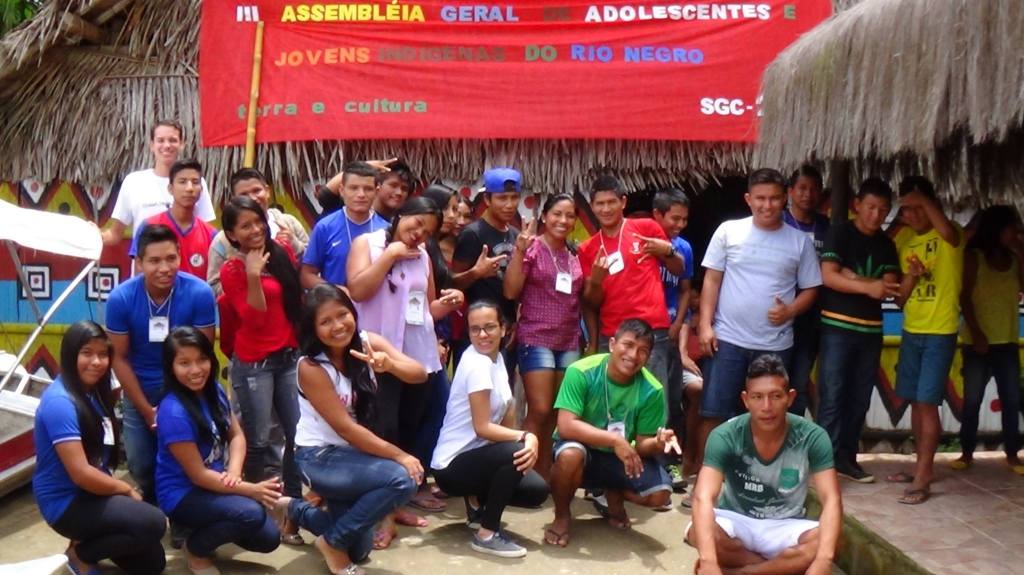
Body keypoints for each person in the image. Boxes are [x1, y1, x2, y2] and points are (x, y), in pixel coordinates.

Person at [270, 284, 425, 575]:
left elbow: (418, 373)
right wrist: (400, 456)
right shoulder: (311, 367)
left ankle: (294, 508)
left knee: (360, 549)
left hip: (352, 459)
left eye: (342, 315)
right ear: (313, 329)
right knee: (402, 479)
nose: (338, 326)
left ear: (353, 313)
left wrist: (390, 364)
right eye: (325, 322)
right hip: (317, 458)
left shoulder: (368, 342)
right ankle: (332, 543)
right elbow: (346, 430)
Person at [347, 197, 464, 541]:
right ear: (401, 216)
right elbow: (357, 290)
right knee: (384, 429)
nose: (420, 234)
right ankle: (383, 509)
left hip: (418, 355)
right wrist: (390, 255)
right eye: (416, 225)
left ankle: (402, 496)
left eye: (427, 231)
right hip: (379, 353)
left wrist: (447, 303)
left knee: (415, 424)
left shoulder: (425, 256)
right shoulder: (366, 244)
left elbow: (425, 309)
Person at [698, 169, 821, 449]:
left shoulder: (799, 241)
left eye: (774, 198)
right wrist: (705, 325)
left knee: (768, 415)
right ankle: (707, 480)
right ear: (748, 199)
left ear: (785, 198)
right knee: (714, 412)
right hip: (727, 339)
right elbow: (712, 279)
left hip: (775, 345)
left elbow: (812, 289)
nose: (767, 205)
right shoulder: (729, 231)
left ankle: (758, 477)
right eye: (760, 198)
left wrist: (790, 311)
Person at [687, 354, 841, 575]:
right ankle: (779, 568)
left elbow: (832, 498)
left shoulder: (813, 437)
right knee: (698, 532)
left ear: (790, 397)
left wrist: (824, 561)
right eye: (757, 397)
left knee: (830, 542)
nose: (766, 406)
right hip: (736, 519)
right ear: (745, 399)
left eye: (775, 396)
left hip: (786, 523)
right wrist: (709, 562)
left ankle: (743, 572)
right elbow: (703, 497)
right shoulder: (725, 435)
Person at [33, 321, 167, 575]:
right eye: (87, 353)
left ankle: (84, 540)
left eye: (103, 354)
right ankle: (80, 555)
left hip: (93, 492)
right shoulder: (60, 402)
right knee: (154, 523)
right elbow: (81, 473)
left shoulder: (95, 392)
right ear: (70, 353)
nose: (96, 362)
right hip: (66, 502)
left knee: (152, 564)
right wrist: (125, 489)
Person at [106, 224, 217, 503]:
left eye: (171, 258)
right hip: (139, 389)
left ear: (180, 256)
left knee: (190, 458)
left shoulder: (199, 292)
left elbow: (203, 356)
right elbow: (118, 357)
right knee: (141, 463)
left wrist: (182, 403)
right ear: (139, 262)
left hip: (186, 389)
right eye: (154, 261)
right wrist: (146, 410)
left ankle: (183, 514)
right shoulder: (120, 298)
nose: (164, 267)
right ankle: (155, 508)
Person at [156, 327, 281, 574]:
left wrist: (234, 472)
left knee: (269, 539)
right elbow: (198, 476)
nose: (195, 370)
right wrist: (250, 490)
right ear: (171, 367)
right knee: (252, 514)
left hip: (217, 482)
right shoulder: (173, 412)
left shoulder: (214, 391)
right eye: (184, 363)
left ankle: (207, 529)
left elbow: (236, 435)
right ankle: (195, 549)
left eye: (202, 359)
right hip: (183, 494)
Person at [431, 301, 550, 557]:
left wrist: (517, 446)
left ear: (504, 328)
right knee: (516, 453)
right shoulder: (477, 364)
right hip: (451, 466)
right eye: (475, 330)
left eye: (489, 327)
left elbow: (507, 411)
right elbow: (482, 427)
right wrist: (525, 437)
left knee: (536, 490)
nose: (482, 335)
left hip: (475, 458)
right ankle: (486, 533)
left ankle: (478, 508)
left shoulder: (496, 359)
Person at [547, 319, 678, 547]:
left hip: (620, 457)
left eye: (642, 351)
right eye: (627, 345)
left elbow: (643, 443)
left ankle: (613, 490)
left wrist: (657, 442)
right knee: (570, 457)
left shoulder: (652, 389)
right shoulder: (580, 371)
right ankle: (562, 515)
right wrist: (614, 439)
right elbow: (567, 425)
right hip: (582, 449)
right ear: (612, 344)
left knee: (661, 494)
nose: (633, 355)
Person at [219, 196, 305, 540]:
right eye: (245, 226)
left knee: (297, 438)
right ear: (231, 234)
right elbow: (253, 319)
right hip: (254, 365)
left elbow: (294, 303)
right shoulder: (232, 270)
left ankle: (293, 514)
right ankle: (255, 514)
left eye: (257, 222)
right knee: (257, 441)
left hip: (288, 359)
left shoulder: (281, 253)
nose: (255, 230)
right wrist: (253, 276)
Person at [817, 178, 901, 483]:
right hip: (836, 327)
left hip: (870, 332)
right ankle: (823, 465)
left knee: (859, 398)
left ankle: (847, 459)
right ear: (857, 205)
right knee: (832, 395)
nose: (876, 215)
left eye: (883, 209)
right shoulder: (839, 233)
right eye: (870, 207)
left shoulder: (887, 243)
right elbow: (828, 277)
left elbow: (888, 288)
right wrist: (869, 285)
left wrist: (853, 279)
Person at [887, 176, 964, 505]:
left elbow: (946, 232)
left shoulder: (950, 233)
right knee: (914, 402)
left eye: (917, 208)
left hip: (939, 331)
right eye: (906, 210)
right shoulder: (906, 243)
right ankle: (922, 465)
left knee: (926, 403)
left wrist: (924, 198)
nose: (912, 215)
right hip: (912, 330)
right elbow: (900, 301)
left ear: (930, 206)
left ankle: (923, 475)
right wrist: (912, 276)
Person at [503, 193, 582, 479]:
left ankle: (543, 469)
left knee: (556, 411)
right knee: (539, 408)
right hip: (536, 336)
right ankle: (522, 471)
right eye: (557, 214)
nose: (563, 220)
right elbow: (511, 291)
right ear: (545, 217)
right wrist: (519, 252)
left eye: (569, 215)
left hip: (568, 340)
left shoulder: (573, 253)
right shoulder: (532, 247)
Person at [580, 176, 683, 396]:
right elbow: (591, 303)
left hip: (652, 328)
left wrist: (668, 251)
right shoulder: (588, 248)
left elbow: (678, 269)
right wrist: (596, 280)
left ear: (623, 202)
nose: (606, 209)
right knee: (614, 401)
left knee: (654, 398)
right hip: (613, 333)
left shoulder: (645, 227)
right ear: (592, 206)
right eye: (600, 203)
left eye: (611, 202)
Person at [955, 205, 1023, 474]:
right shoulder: (973, 258)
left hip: (1006, 340)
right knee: (972, 399)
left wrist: (1020, 247)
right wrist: (977, 331)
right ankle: (966, 452)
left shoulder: (1015, 260)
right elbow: (965, 298)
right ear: (996, 229)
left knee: (1011, 399)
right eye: (1010, 228)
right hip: (977, 342)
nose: (1014, 233)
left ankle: (1012, 455)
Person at [451, 168, 523, 370]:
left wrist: (515, 321)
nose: (509, 205)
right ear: (488, 200)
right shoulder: (473, 234)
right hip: (476, 332)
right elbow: (452, 282)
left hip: (505, 330)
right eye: (502, 198)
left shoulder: (516, 235)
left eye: (514, 197)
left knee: (502, 395)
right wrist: (476, 273)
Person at [102, 120, 216, 246]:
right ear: (152, 145)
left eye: (173, 140)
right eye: (160, 140)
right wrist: (93, 235)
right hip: (144, 264)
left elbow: (206, 234)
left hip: (184, 263)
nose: (167, 145)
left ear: (182, 144)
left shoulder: (194, 183)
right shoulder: (133, 182)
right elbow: (114, 235)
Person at [651, 189, 696, 489]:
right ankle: (652, 466)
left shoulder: (684, 248)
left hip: (670, 333)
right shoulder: (643, 246)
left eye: (684, 219)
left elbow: (685, 290)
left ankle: (671, 464)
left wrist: (679, 322)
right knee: (656, 402)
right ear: (658, 215)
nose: (679, 224)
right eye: (674, 218)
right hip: (648, 334)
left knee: (673, 403)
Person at [207, 167, 309, 296]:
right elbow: (213, 285)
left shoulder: (289, 223)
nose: (253, 198)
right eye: (244, 194)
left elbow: (312, 266)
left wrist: (295, 245)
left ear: (267, 191)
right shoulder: (222, 241)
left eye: (257, 191)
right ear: (234, 199)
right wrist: (245, 279)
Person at [782, 165, 830, 416]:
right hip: (783, 313)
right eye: (802, 188)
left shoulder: (827, 226)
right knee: (781, 379)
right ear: (790, 191)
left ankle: (797, 442)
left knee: (801, 382)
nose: (807, 194)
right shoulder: (779, 222)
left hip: (817, 314)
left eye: (813, 189)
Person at [301, 161, 390, 289]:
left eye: (368, 189)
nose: (361, 194)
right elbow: (306, 275)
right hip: (338, 305)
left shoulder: (386, 229)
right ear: (342, 190)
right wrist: (338, 292)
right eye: (354, 188)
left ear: (377, 191)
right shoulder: (325, 227)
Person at [128, 159, 218, 280]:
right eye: (182, 182)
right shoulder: (149, 226)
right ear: (170, 189)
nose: (189, 188)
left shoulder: (211, 234)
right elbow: (139, 275)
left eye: (195, 182)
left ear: (201, 190)